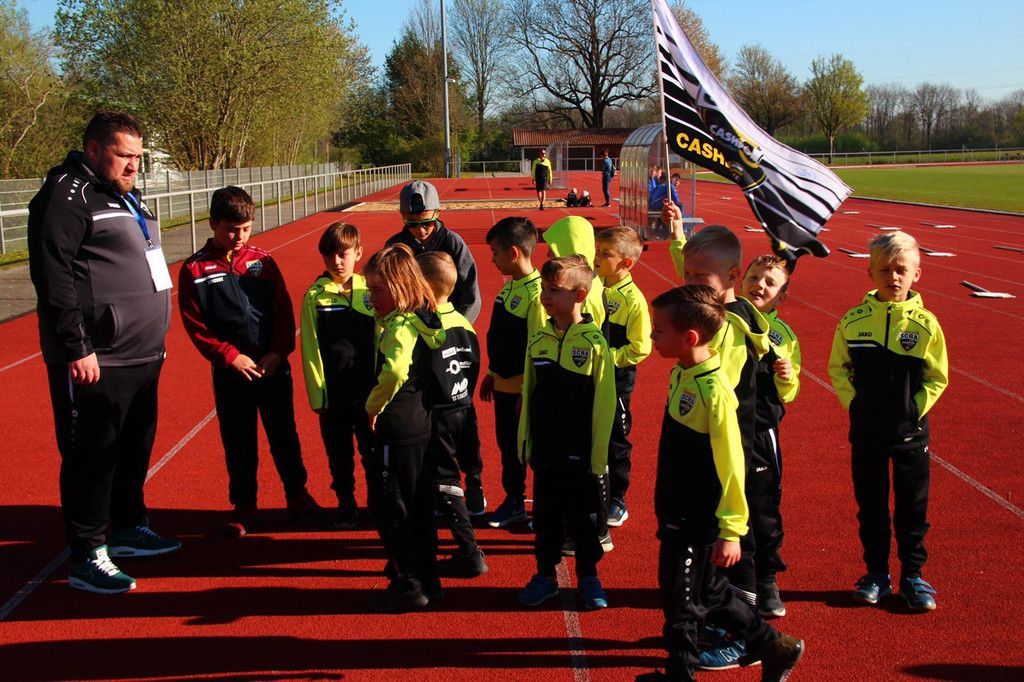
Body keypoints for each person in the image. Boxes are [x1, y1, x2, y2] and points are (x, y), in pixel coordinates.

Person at [28, 110, 180, 594]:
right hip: (98, 358)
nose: (135, 165)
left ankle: (128, 526)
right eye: (124, 155)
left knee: (134, 448)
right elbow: (53, 275)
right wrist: (77, 346)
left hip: (143, 353)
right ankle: (87, 553)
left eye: (139, 156)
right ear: (94, 149)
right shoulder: (66, 194)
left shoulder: (124, 192)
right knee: (91, 457)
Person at [640, 285, 804, 682]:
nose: (651, 336)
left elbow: (732, 466)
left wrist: (731, 530)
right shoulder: (683, 373)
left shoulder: (715, 393)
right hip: (677, 507)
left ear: (689, 338)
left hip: (696, 515)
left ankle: (680, 674)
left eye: (658, 330)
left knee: (680, 600)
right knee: (709, 590)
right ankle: (774, 645)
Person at [663, 203, 771, 669]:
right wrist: (677, 236)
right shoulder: (709, 304)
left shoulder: (731, 330)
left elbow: (719, 404)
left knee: (731, 549)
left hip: (726, 453)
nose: (688, 281)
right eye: (686, 272)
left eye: (698, 276)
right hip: (700, 454)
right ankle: (712, 622)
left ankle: (746, 636)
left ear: (733, 277)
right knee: (707, 556)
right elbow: (697, 275)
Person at [178, 186, 320, 538]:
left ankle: (297, 495)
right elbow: (195, 324)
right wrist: (229, 356)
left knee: (284, 434)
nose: (239, 237)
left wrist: (278, 352)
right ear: (213, 223)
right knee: (239, 439)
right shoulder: (195, 268)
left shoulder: (263, 261)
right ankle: (244, 505)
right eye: (231, 229)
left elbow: (283, 311)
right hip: (232, 372)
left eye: (245, 228)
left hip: (271, 365)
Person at [828, 231, 948, 612]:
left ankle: (913, 575)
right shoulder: (853, 322)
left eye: (901, 270)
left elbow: (937, 377)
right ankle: (876, 573)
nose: (893, 277)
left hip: (910, 434)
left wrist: (914, 409)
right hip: (866, 433)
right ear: (870, 273)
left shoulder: (926, 325)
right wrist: (854, 405)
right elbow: (838, 369)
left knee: (912, 508)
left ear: (916, 274)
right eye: (884, 270)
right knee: (871, 507)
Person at [516, 255, 616, 611]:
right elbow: (528, 393)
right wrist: (525, 440)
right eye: (544, 288)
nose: (546, 295)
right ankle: (545, 576)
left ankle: (589, 577)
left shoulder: (595, 344)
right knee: (545, 518)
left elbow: (605, 403)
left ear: (580, 295)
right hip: (546, 449)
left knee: (584, 518)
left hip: (582, 452)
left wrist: (598, 456)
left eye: (555, 290)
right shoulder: (538, 339)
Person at [363, 244, 447, 613]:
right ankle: (428, 578)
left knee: (390, 507)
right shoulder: (425, 318)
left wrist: (372, 405)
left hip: (397, 427)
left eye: (377, 290)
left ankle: (408, 583)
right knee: (419, 504)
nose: (371, 297)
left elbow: (395, 370)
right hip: (421, 423)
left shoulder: (400, 326)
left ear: (399, 288)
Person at [299, 222, 376, 529]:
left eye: (343, 254)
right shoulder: (315, 296)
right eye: (329, 255)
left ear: (358, 252)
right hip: (335, 394)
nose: (336, 261)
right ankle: (346, 502)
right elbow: (310, 347)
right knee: (339, 455)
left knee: (373, 452)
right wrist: (318, 394)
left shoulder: (371, 289)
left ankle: (377, 503)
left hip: (369, 392)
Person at [416, 251, 488, 578]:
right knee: (463, 464)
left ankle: (470, 551)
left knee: (444, 479)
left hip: (439, 414)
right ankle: (472, 492)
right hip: (464, 407)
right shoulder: (463, 322)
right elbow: (473, 365)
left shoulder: (426, 327)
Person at [739, 255, 802, 618]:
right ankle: (725, 579)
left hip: (761, 433)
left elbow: (790, 392)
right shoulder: (726, 320)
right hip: (722, 428)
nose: (759, 285)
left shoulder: (784, 336)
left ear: (781, 296)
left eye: (769, 282)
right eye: (754, 277)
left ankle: (765, 580)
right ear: (741, 279)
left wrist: (786, 376)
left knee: (762, 509)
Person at [481, 217, 546, 529]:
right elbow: (501, 339)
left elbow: (537, 349)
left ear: (514, 253)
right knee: (508, 448)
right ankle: (514, 501)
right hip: (504, 386)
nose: (492, 259)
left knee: (530, 452)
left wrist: (527, 392)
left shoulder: (537, 294)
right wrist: (492, 373)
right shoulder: (509, 288)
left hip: (521, 392)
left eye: (495, 252)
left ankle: (544, 508)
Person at [592, 227, 652, 529]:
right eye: (596, 250)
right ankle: (595, 493)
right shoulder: (595, 286)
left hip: (616, 382)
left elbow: (641, 347)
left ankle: (617, 499)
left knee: (616, 439)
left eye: (605, 254)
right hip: (592, 379)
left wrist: (608, 360)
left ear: (626, 263)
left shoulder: (633, 300)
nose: (597, 257)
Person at [387, 180, 481, 323]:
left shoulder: (453, 243)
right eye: (412, 224)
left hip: (448, 322)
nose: (421, 230)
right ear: (402, 216)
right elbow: (386, 290)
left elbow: (471, 292)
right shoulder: (395, 246)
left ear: (437, 213)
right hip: (409, 324)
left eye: (427, 223)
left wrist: (460, 326)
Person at [542, 215, 606, 327]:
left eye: (553, 248)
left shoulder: (585, 301)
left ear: (569, 248)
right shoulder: (588, 283)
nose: (548, 253)